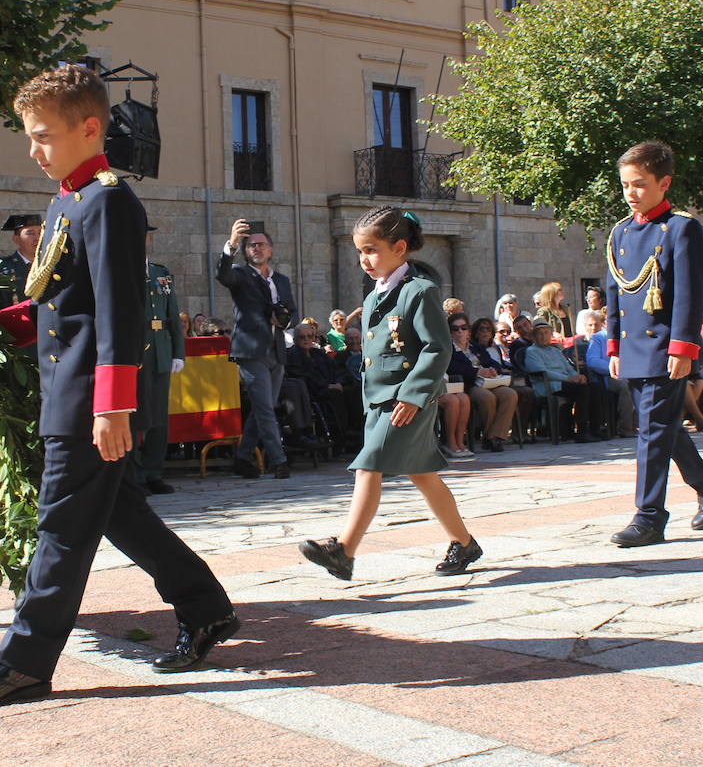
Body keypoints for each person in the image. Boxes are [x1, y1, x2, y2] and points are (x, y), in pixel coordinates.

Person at [0, 65, 235, 708]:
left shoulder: (107, 200)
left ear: (90, 128)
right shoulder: (67, 200)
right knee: (118, 513)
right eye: (30, 136)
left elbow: (118, 309)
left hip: (87, 400)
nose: (33, 149)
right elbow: (60, 304)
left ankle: (23, 662)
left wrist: (112, 406)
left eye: (44, 135)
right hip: (66, 391)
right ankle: (205, 605)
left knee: (61, 529)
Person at [299, 207, 481, 581]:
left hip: (407, 400)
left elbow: (436, 348)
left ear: (399, 247)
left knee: (369, 466)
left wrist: (414, 395)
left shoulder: (420, 291)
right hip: (381, 399)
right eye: (359, 252)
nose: (364, 259)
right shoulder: (372, 297)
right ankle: (463, 543)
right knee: (423, 475)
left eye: (371, 250)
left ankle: (343, 550)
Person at [604, 142, 703, 547]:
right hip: (633, 349)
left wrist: (683, 348)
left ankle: (649, 516)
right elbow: (614, 294)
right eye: (625, 185)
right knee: (660, 428)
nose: (631, 193)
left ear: (664, 183)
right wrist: (612, 347)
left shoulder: (681, 227)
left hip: (664, 347)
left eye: (640, 185)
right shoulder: (621, 231)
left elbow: (690, 295)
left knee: (653, 430)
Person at [217, 219, 297, 479]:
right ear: (246, 249)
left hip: (277, 350)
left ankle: (242, 457)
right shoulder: (240, 274)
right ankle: (278, 460)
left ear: (270, 250)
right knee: (264, 408)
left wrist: (284, 320)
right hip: (251, 351)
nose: (256, 249)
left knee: (265, 406)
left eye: (261, 245)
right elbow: (223, 275)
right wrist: (231, 244)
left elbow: (293, 313)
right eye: (251, 245)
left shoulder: (282, 280)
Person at [131, 224, 185, 495]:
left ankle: (153, 471)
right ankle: (134, 473)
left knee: (158, 418)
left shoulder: (160, 273)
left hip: (161, 351)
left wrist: (178, 352)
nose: (143, 240)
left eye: (146, 235)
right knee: (133, 416)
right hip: (133, 352)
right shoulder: (120, 271)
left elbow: (173, 315)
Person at [522, 319, 605, 442]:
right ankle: (582, 430)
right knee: (582, 390)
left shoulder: (556, 351)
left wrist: (577, 376)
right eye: (540, 333)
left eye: (546, 332)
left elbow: (568, 368)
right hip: (548, 384)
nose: (544, 336)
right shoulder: (531, 351)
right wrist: (568, 378)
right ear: (534, 336)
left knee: (594, 387)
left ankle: (595, 428)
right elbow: (543, 372)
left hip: (565, 383)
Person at [447, 312, 518, 451]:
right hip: (470, 384)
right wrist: (477, 372)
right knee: (487, 397)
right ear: (450, 332)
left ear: (468, 330)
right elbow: (452, 368)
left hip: (489, 381)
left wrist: (492, 369)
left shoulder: (476, 347)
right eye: (455, 329)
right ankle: (490, 438)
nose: (460, 331)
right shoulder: (449, 349)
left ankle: (494, 436)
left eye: (464, 328)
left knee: (510, 394)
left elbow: (492, 362)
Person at [584, 311, 634, 438]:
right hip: (609, 376)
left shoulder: (626, 336)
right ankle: (625, 428)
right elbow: (593, 361)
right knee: (625, 386)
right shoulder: (598, 338)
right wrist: (614, 369)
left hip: (630, 373)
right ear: (605, 323)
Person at [0, 213, 42, 307]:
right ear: (16, 239)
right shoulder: (2, 268)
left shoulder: (50, 266)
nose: (37, 238)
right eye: (30, 233)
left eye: (40, 233)